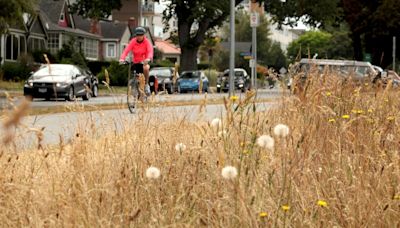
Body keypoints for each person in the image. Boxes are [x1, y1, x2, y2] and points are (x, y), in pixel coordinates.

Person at [119, 27, 153, 95]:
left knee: (146, 68)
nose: (139, 37)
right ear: (136, 35)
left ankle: (146, 85)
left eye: (141, 35)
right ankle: (135, 89)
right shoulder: (133, 41)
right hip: (136, 62)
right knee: (135, 75)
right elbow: (126, 50)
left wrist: (148, 58)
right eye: (138, 35)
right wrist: (122, 59)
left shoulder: (147, 42)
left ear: (144, 35)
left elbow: (150, 51)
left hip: (144, 62)